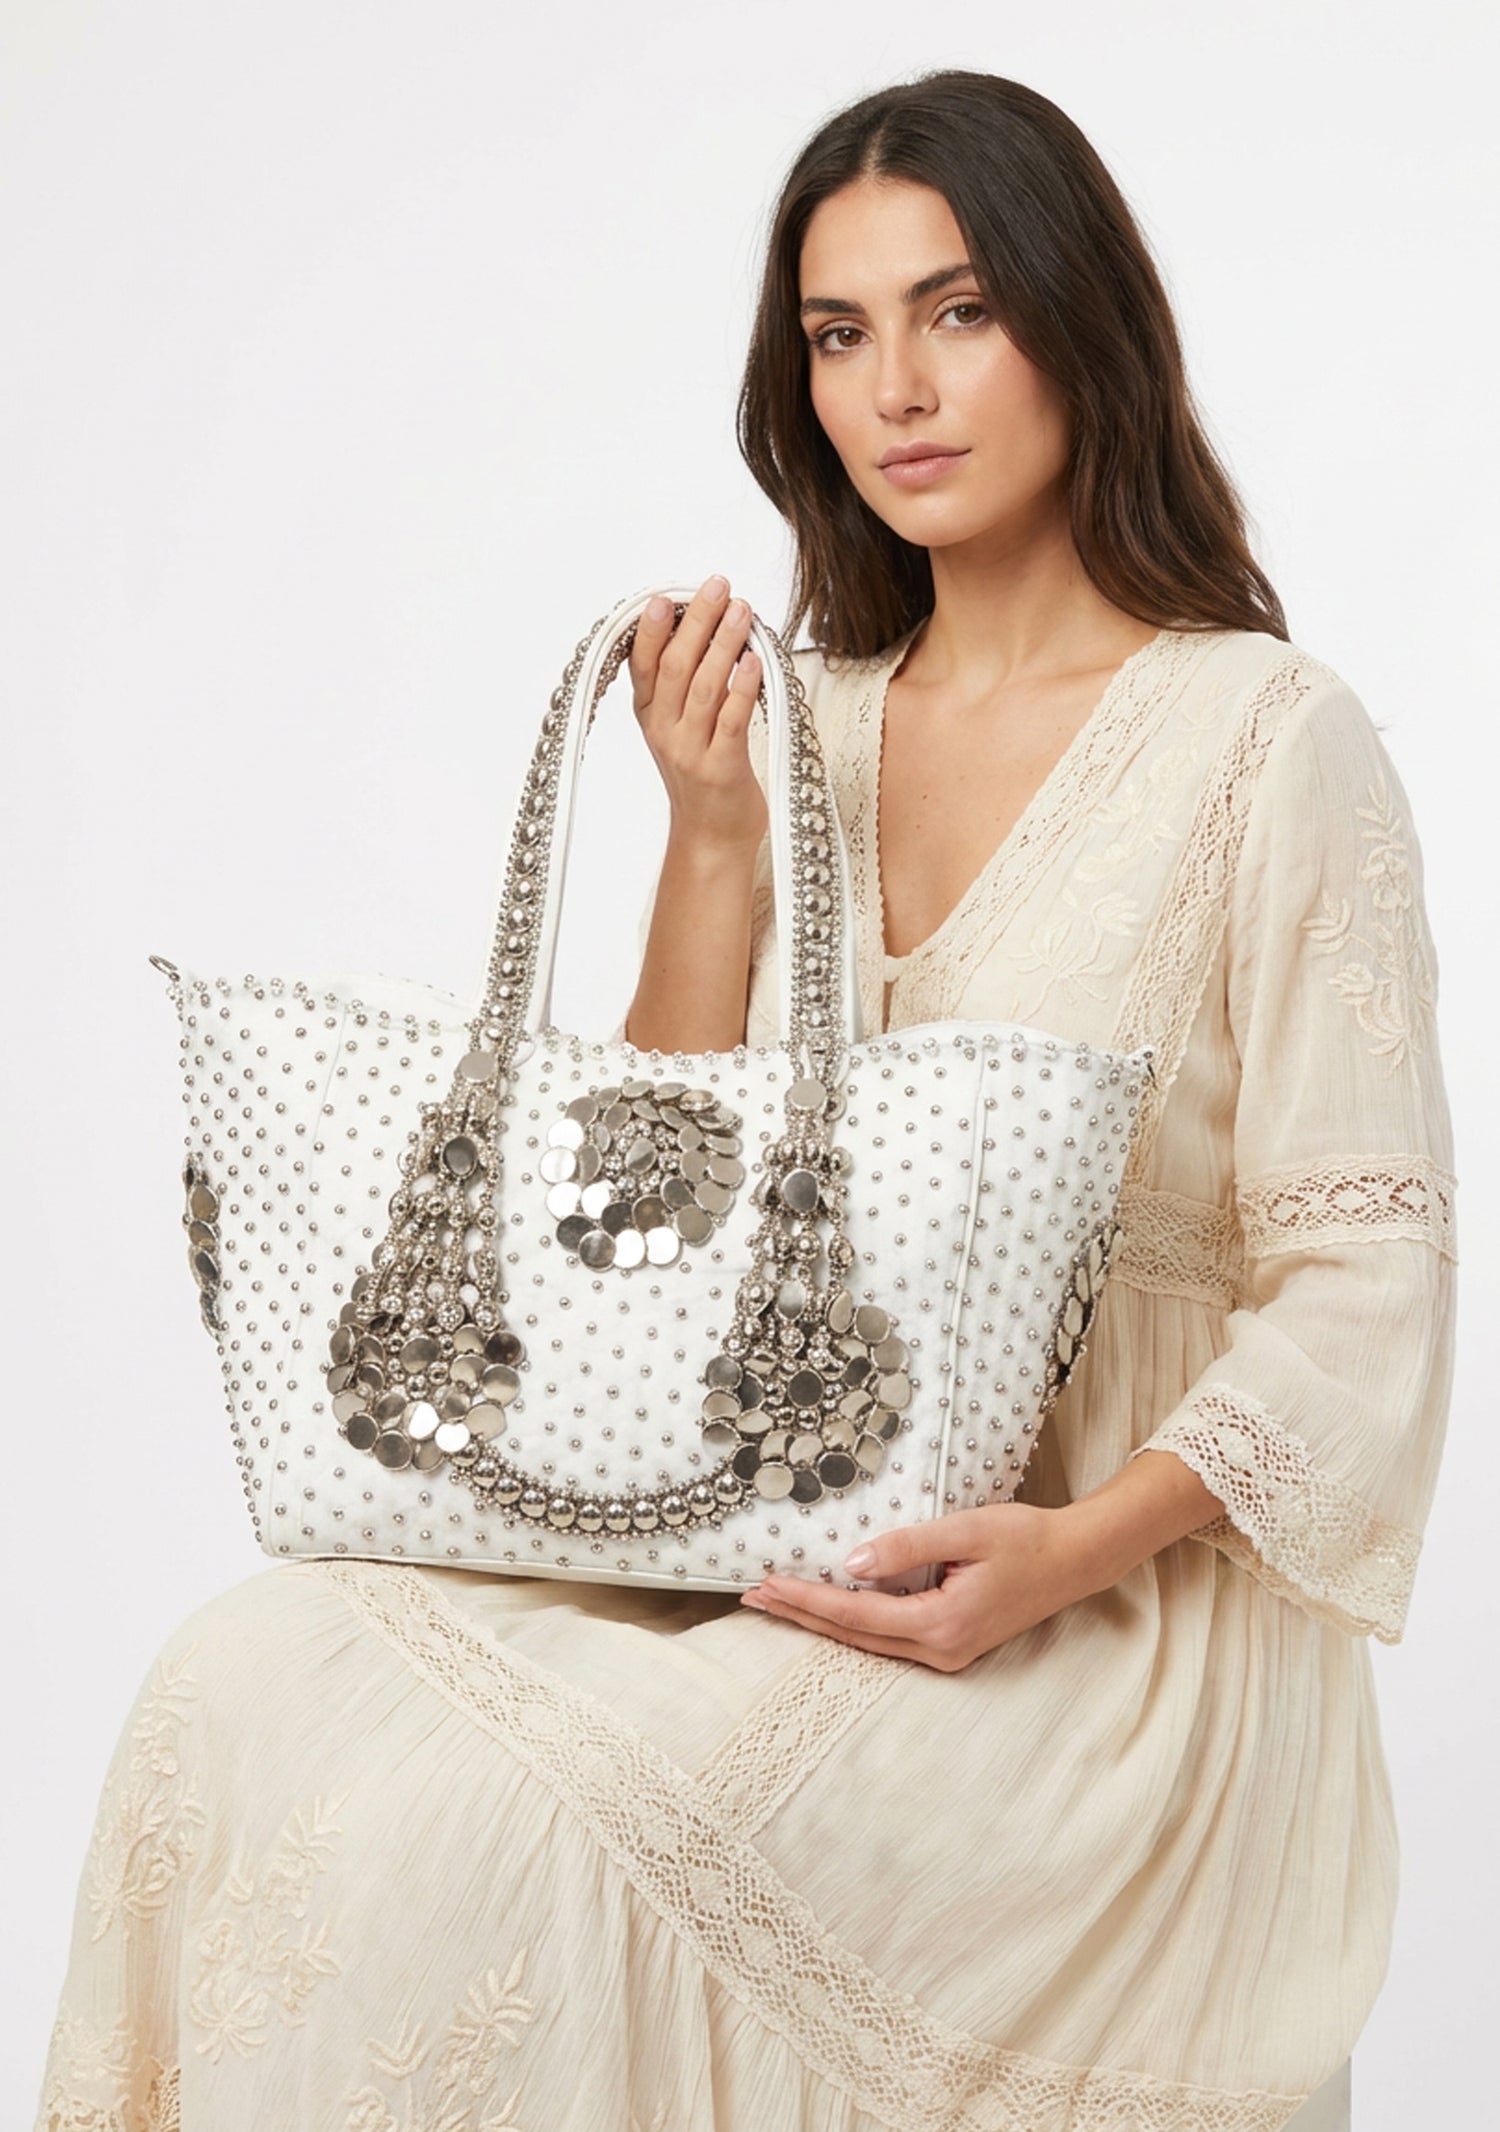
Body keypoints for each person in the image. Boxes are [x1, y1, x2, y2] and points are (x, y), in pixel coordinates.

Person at [35, 69, 1453, 2132]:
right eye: (839, 333)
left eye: (959, 311)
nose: (900, 389)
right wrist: (712, 838)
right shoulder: (810, 726)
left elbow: (1365, 1290)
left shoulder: (1269, 737)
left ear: (1083, 325)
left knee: (509, 1830)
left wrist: (1066, 1551)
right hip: (769, 1521)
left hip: (1115, 1629)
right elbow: (652, 1212)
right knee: (241, 1678)